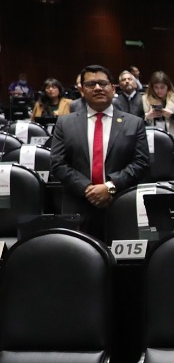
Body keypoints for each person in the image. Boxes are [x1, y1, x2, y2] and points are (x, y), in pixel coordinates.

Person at [47, 65, 149, 239]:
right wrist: (88, 189)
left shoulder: (134, 123)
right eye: (90, 84)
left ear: (113, 88)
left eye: (103, 83)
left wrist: (109, 187)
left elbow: (141, 163)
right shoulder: (65, 123)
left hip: (120, 204)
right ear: (82, 90)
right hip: (78, 205)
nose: (97, 88)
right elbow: (57, 164)